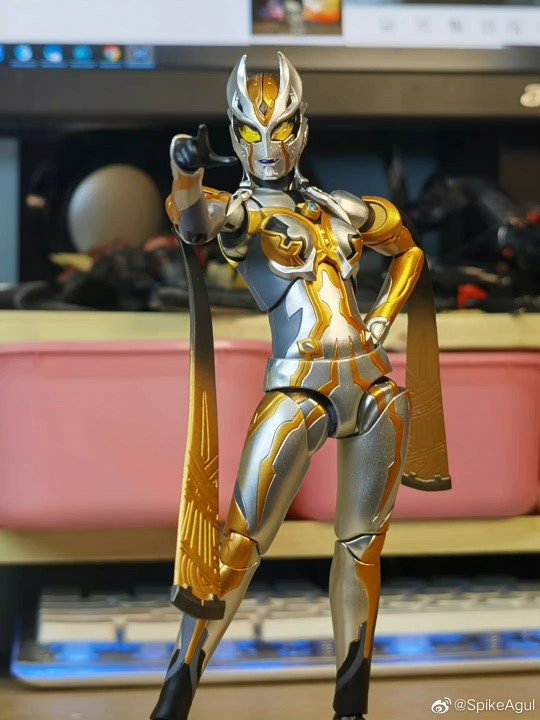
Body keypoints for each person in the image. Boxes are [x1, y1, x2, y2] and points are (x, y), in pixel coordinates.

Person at [151, 52, 449, 720]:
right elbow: (194, 222)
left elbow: (409, 250)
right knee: (238, 547)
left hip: (373, 388)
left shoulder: (339, 207)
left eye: (281, 129)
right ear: (235, 135)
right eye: (251, 132)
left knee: (361, 551)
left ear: (302, 129)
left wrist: (383, 315)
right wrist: (186, 173)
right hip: (298, 389)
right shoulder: (242, 213)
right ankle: (173, 700)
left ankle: (351, 707)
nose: (268, 145)